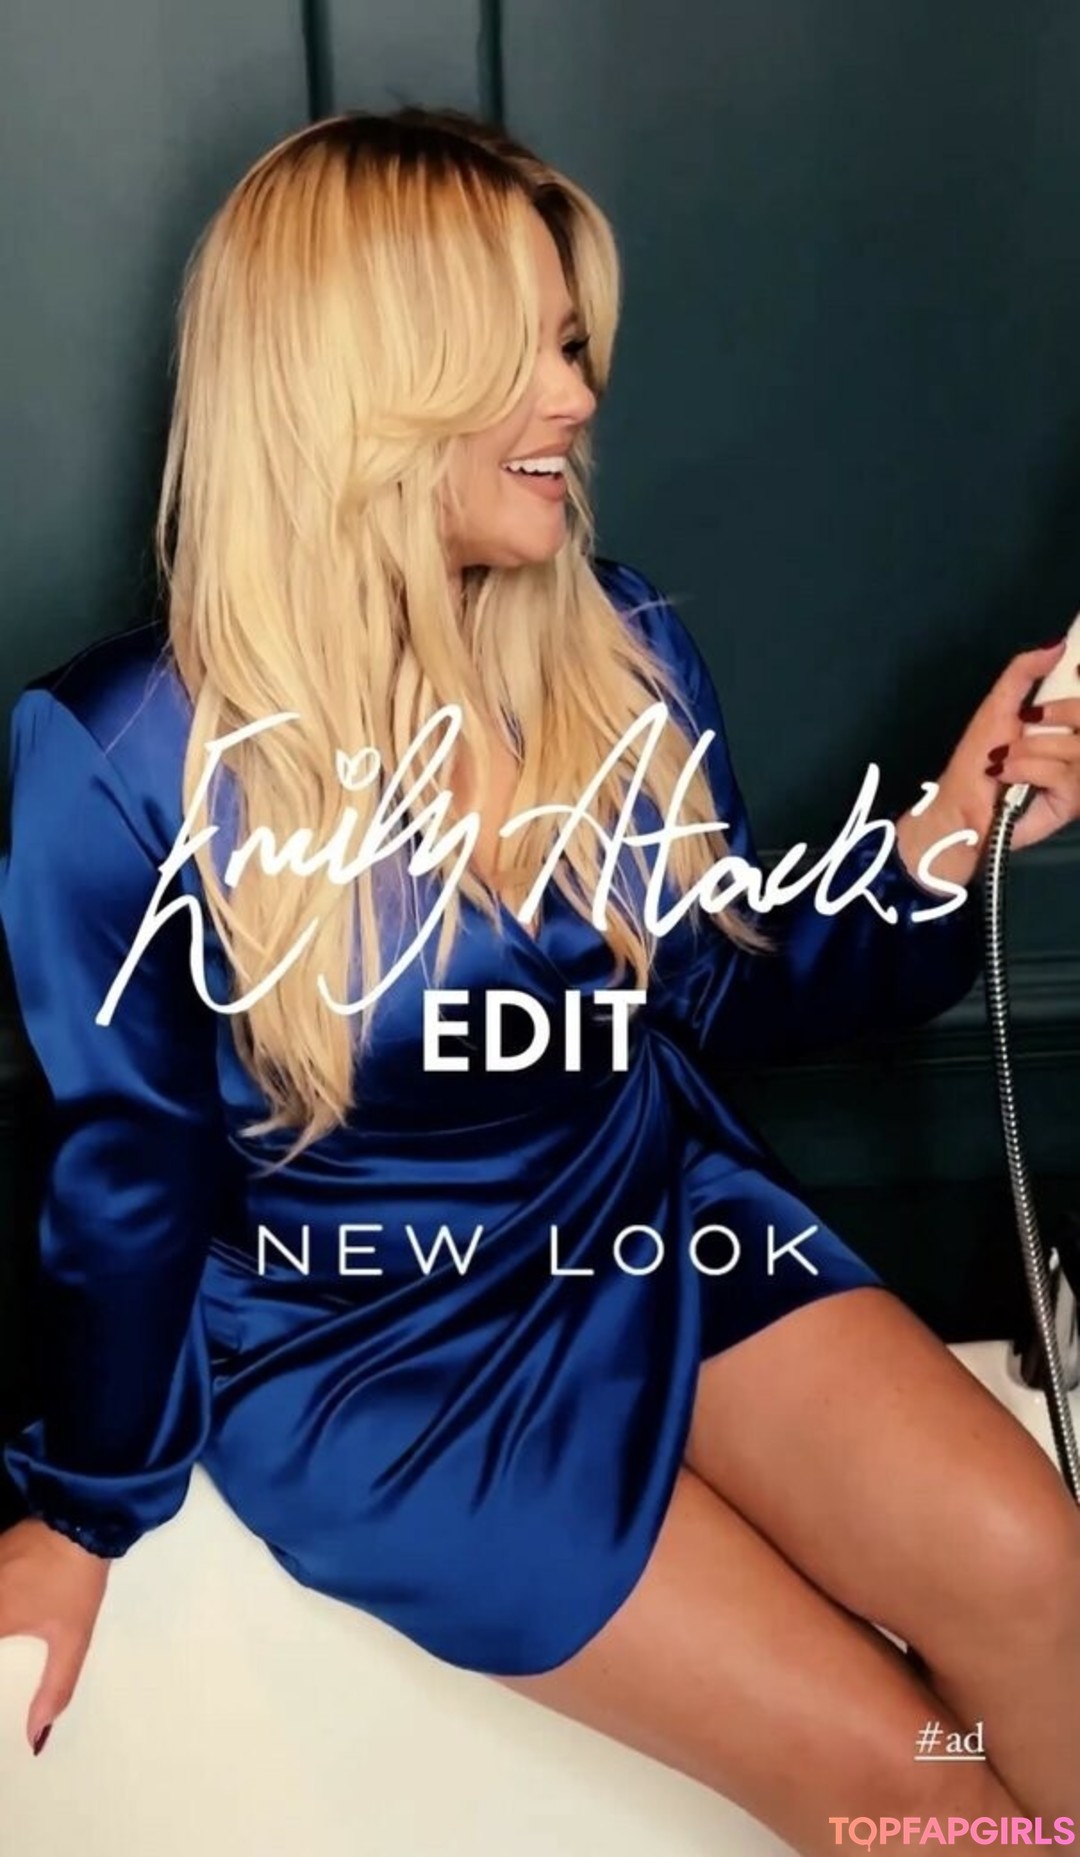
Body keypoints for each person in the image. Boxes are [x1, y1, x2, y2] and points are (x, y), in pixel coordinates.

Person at [0, 106, 1078, 1856]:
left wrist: (952, 833)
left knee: (1038, 1563)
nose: (577, 397)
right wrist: (80, 1507)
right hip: (384, 1357)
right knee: (908, 1780)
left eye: (574, 345)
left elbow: (723, 990)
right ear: (360, 379)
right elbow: (130, 1172)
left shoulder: (619, 646)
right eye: (523, 352)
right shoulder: (121, 751)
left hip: (655, 1222)